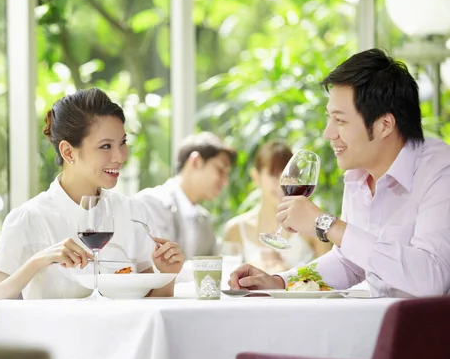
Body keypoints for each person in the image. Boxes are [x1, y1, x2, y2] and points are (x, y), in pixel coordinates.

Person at [229, 48, 450, 298]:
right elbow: (349, 262)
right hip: (382, 327)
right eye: (329, 119)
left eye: (340, 121)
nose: (328, 133)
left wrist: (326, 224)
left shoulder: (441, 173)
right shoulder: (358, 176)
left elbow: (431, 279)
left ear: (384, 125)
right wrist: (281, 283)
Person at [0, 88, 184, 300]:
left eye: (122, 142)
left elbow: (150, 303)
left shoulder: (132, 212)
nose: (120, 156)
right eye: (105, 146)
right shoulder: (29, 219)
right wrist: (38, 261)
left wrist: (168, 274)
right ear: (68, 152)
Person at [223, 141, 330, 273]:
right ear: (256, 176)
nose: (282, 182)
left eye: (289, 175)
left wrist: (286, 273)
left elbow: (331, 279)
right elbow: (225, 279)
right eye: (274, 175)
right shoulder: (235, 230)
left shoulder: (313, 228)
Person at [135, 132, 236, 258]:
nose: (225, 181)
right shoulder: (150, 203)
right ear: (196, 161)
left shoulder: (204, 219)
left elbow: (217, 262)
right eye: (220, 170)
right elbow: (155, 263)